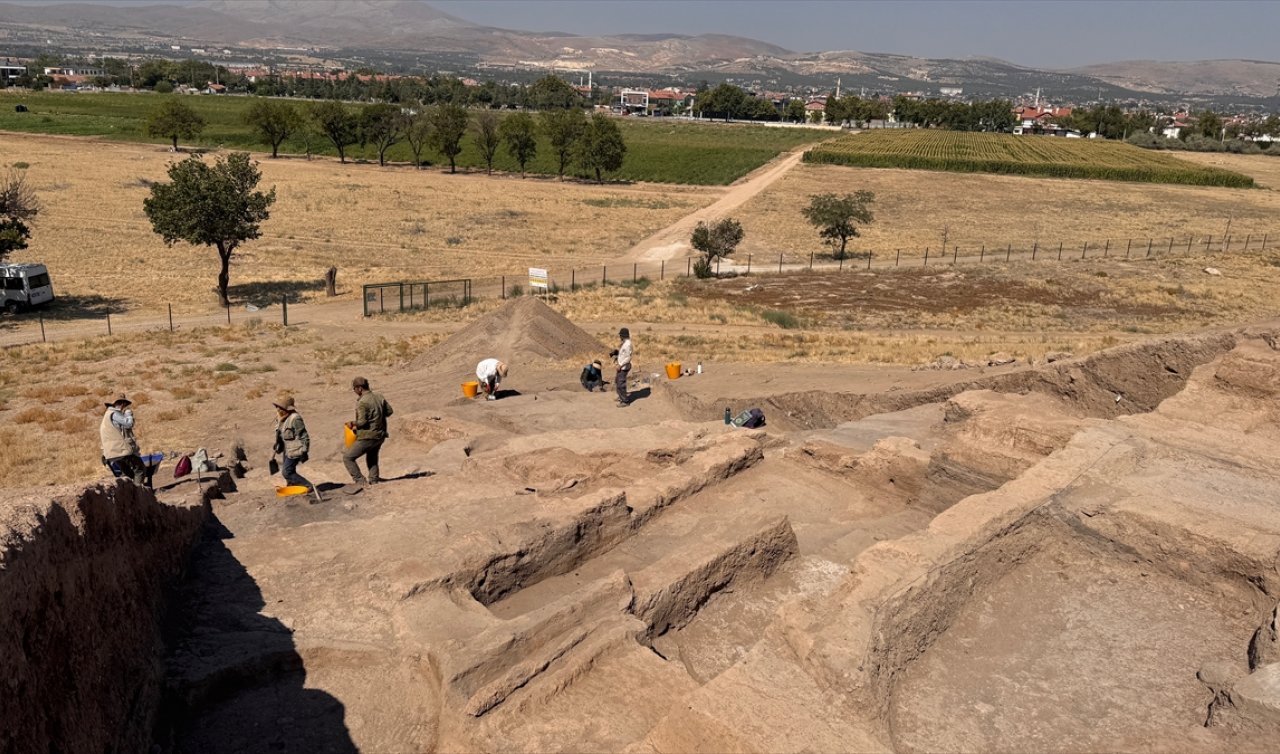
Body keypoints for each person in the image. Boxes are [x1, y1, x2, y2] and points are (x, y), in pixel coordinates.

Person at [343, 377, 393, 492]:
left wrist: (352, 424)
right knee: (372, 456)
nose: (354, 392)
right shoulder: (379, 396)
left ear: (359, 388)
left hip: (367, 436)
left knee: (348, 457)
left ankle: (360, 481)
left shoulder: (362, 402)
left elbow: (362, 422)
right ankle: (374, 480)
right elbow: (389, 412)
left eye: (354, 389)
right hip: (380, 435)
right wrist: (377, 416)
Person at [272, 394, 316, 497]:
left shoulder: (295, 419)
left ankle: (308, 486)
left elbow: (304, 436)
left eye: (280, 407)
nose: (277, 409)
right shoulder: (281, 417)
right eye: (277, 406)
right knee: (289, 470)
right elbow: (280, 433)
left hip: (296, 449)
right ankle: (291, 486)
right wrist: (277, 444)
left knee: (287, 472)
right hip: (287, 449)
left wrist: (305, 451)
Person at [100, 394, 147, 487]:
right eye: (125, 405)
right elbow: (129, 424)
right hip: (121, 450)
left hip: (111, 452)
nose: (124, 407)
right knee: (140, 469)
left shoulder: (106, 416)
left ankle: (128, 493)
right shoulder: (114, 414)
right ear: (121, 403)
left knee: (128, 474)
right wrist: (128, 414)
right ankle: (138, 494)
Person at [611, 327, 633, 407]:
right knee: (617, 381)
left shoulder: (627, 345)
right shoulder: (625, 343)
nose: (619, 337)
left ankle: (625, 401)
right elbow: (623, 355)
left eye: (620, 335)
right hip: (621, 366)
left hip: (623, 367)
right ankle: (621, 396)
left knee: (621, 384)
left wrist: (620, 365)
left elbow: (628, 358)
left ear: (623, 335)